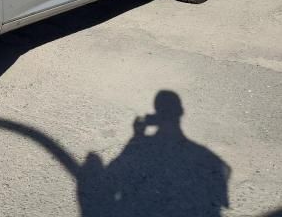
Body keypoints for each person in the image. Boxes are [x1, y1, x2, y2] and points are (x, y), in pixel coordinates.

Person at [76, 90, 230, 217]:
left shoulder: (141, 149)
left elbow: (111, 180)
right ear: (181, 112)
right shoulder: (210, 160)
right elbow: (220, 200)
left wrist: (137, 136)